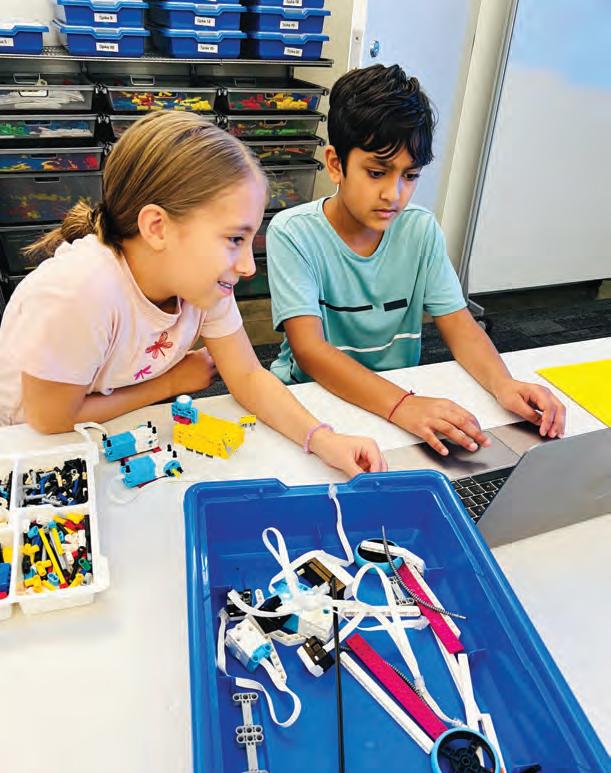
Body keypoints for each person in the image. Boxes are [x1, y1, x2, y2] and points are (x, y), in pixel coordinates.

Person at [0, 112, 385, 478]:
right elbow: (51, 420)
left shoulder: (202, 284)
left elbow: (248, 375)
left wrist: (323, 439)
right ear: (157, 227)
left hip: (106, 428)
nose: (248, 266)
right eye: (234, 239)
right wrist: (169, 383)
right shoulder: (80, 291)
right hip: (27, 448)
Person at [266, 64, 565, 456]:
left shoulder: (420, 230)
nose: (394, 194)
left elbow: (459, 324)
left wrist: (503, 384)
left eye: (410, 176)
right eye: (377, 172)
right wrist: (402, 406)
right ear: (336, 165)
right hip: (311, 401)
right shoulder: (293, 233)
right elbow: (310, 351)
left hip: (399, 396)